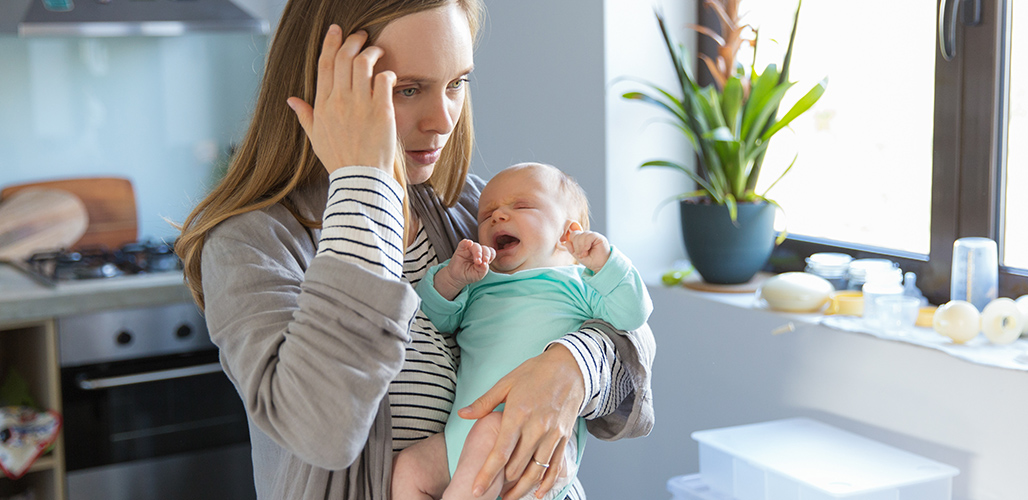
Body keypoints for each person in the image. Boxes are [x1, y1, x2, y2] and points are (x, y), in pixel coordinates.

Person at [173, 0, 657, 499]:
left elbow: (629, 337)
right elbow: (322, 431)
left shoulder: (470, 210)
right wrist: (364, 186)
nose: (443, 120)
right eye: (407, 89)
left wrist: (571, 367)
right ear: (327, 91)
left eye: (457, 83)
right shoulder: (250, 244)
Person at [391, 163, 653, 500]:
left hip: (529, 443)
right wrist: (451, 280)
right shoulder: (479, 282)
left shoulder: (580, 284)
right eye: (486, 215)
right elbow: (433, 320)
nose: (498, 216)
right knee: (409, 468)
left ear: (568, 233)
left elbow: (632, 316)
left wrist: (608, 264)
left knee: (490, 433)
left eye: (522, 206)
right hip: (459, 439)